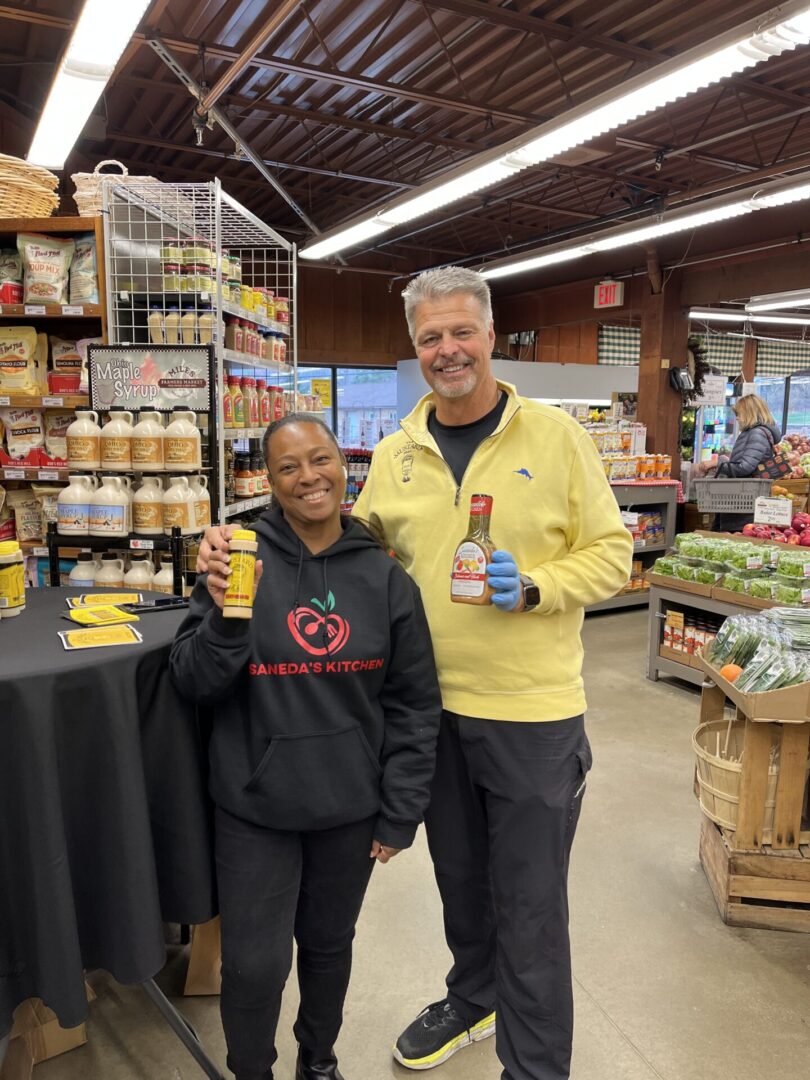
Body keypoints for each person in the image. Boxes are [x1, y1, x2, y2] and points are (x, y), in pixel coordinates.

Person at [199, 267, 633, 1080]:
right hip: (429, 717)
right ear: (415, 346)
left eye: (461, 332)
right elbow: (338, 540)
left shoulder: (555, 436)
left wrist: (540, 587)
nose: (447, 350)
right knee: (462, 892)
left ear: (491, 334)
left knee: (530, 909)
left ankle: (532, 1069)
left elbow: (613, 552)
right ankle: (473, 998)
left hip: (529, 714)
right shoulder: (397, 452)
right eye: (430, 337)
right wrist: (234, 543)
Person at [171, 414, 441, 1080]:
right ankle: (252, 1071)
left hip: (347, 807)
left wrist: (399, 809)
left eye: (319, 459)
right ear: (270, 480)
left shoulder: (384, 579)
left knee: (327, 949)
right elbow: (192, 682)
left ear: (342, 466)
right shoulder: (236, 559)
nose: (308, 477)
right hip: (253, 805)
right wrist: (230, 626)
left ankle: (318, 1063)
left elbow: (412, 702)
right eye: (288, 466)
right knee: (255, 963)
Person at [694, 393, 782, 532]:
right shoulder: (753, 433)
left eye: (739, 414)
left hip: (745, 501)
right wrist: (723, 461)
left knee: (730, 539)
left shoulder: (756, 433)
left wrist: (717, 464)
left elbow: (744, 467)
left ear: (749, 413)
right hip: (742, 499)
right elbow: (744, 462)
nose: (737, 418)